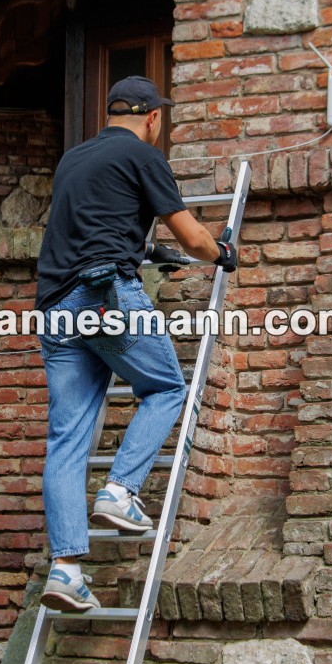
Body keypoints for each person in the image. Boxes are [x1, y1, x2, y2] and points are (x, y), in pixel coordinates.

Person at [35, 75, 237, 612]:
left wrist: (147, 254)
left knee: (66, 440)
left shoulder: (72, 161)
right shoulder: (145, 157)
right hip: (105, 298)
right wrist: (222, 252)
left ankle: (66, 570)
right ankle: (121, 491)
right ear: (152, 118)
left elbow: (90, 229)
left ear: (110, 114)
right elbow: (193, 237)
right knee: (167, 388)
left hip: (55, 307)